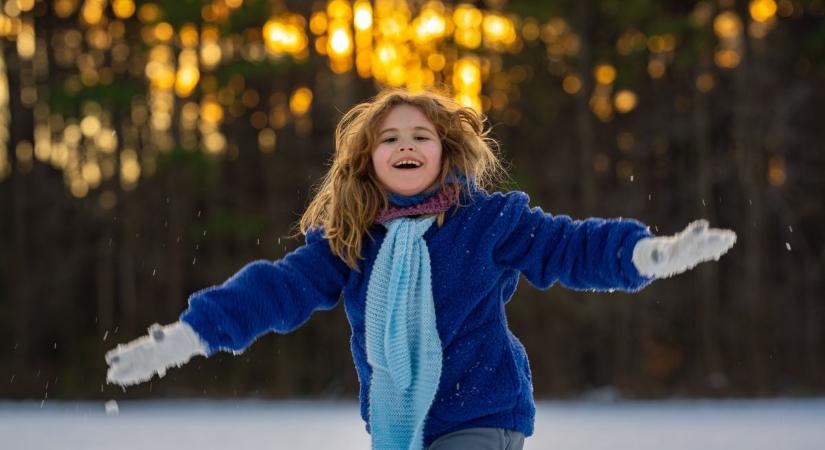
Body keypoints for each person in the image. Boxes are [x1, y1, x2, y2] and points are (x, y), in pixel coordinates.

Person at [105, 88, 736, 450]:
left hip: (483, 415)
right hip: (407, 428)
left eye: (420, 136)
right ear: (368, 160)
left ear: (445, 153)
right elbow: (279, 289)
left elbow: (567, 248)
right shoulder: (350, 240)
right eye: (389, 138)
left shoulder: (488, 221)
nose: (405, 143)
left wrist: (644, 254)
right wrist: (186, 336)